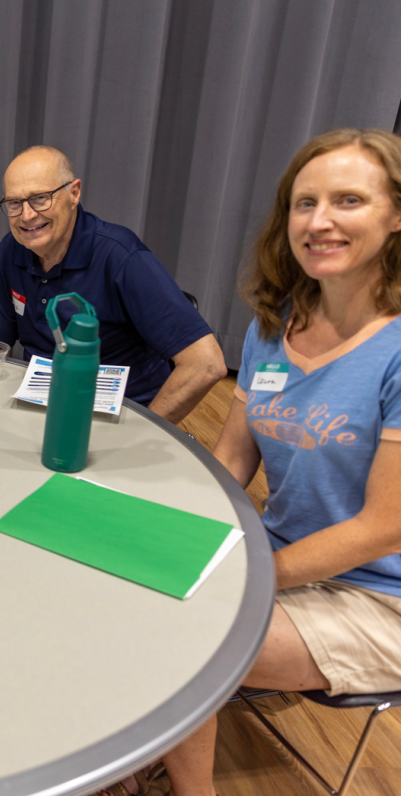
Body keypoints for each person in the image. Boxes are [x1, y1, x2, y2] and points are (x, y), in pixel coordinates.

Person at [160, 129, 401, 796]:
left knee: (184, 638)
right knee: (118, 590)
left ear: (397, 214)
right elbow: (234, 453)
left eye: (348, 200)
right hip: (278, 554)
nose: (319, 221)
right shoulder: (275, 325)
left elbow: (385, 529)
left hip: (379, 597)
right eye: (304, 203)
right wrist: (183, 530)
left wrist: (255, 574)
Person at [0, 146, 226, 422]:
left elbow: (206, 364)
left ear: (74, 193)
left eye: (40, 198)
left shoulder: (122, 257)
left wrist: (140, 435)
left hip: (119, 415)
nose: (26, 216)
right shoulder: (10, 251)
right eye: (14, 203)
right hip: (38, 407)